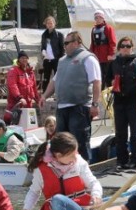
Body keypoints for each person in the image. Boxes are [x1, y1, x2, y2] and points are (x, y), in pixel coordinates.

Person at [38, 31, 102, 162]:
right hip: (62, 108)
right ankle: (67, 172)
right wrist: (44, 95)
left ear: (76, 43)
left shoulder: (88, 58)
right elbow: (54, 81)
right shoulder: (62, 61)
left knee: (80, 142)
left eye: (66, 43)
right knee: (62, 144)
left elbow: (97, 81)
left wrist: (95, 104)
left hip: (79, 107)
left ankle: (84, 174)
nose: (64, 46)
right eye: (63, 43)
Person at [17, 132, 102, 210]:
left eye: (76, 152)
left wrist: (96, 195)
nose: (75, 158)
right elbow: (34, 192)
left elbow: (94, 183)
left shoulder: (79, 162)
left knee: (58, 199)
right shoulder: (40, 169)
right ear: (58, 156)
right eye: (72, 155)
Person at [105, 36, 136, 170]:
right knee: (120, 133)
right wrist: (111, 83)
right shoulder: (114, 63)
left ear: (132, 48)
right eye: (122, 46)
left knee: (135, 133)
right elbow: (107, 79)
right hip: (119, 102)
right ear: (118, 48)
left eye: (128, 46)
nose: (125, 48)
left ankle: (135, 159)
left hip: (133, 101)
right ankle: (121, 160)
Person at [5, 50, 39, 124]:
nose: (24, 59)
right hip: (16, 104)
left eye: (25, 58)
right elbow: (12, 85)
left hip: (29, 104)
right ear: (18, 60)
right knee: (15, 124)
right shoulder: (13, 71)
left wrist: (38, 99)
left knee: (31, 124)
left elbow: (34, 87)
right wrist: (19, 97)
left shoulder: (30, 72)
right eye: (22, 58)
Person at [89, 9, 116, 83]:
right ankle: (101, 92)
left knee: (107, 76)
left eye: (99, 17)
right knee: (99, 76)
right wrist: (91, 54)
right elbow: (93, 43)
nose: (98, 19)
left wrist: (111, 54)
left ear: (103, 18)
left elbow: (112, 42)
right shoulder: (93, 29)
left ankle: (109, 92)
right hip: (97, 57)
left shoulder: (108, 28)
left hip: (106, 57)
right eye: (96, 18)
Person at [40, 16, 65, 93]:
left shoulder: (59, 35)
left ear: (54, 24)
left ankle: (58, 93)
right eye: (48, 23)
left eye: (51, 23)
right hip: (47, 59)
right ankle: (44, 93)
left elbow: (62, 48)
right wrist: (43, 51)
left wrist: (61, 59)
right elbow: (43, 46)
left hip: (56, 59)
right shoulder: (44, 34)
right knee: (46, 77)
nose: (49, 25)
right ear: (46, 24)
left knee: (58, 77)